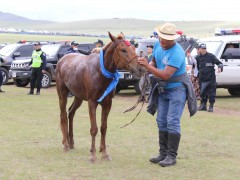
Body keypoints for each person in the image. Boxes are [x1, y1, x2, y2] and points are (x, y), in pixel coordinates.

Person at [138, 22, 197, 167]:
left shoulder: (177, 53)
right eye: (160, 38)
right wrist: (147, 66)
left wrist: (147, 67)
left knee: (172, 121)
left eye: (165, 39)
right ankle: (163, 153)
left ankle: (172, 156)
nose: (162, 42)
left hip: (177, 89)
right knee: (161, 121)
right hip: (163, 90)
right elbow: (154, 61)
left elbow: (165, 74)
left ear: (173, 39)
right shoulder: (158, 45)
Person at [196, 43, 223, 112]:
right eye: (202, 49)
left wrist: (220, 68)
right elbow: (195, 66)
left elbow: (219, 63)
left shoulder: (211, 56)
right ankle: (203, 105)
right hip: (202, 78)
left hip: (211, 78)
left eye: (205, 48)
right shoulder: (197, 57)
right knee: (202, 92)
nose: (204, 50)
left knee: (212, 93)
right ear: (199, 49)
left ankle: (211, 106)